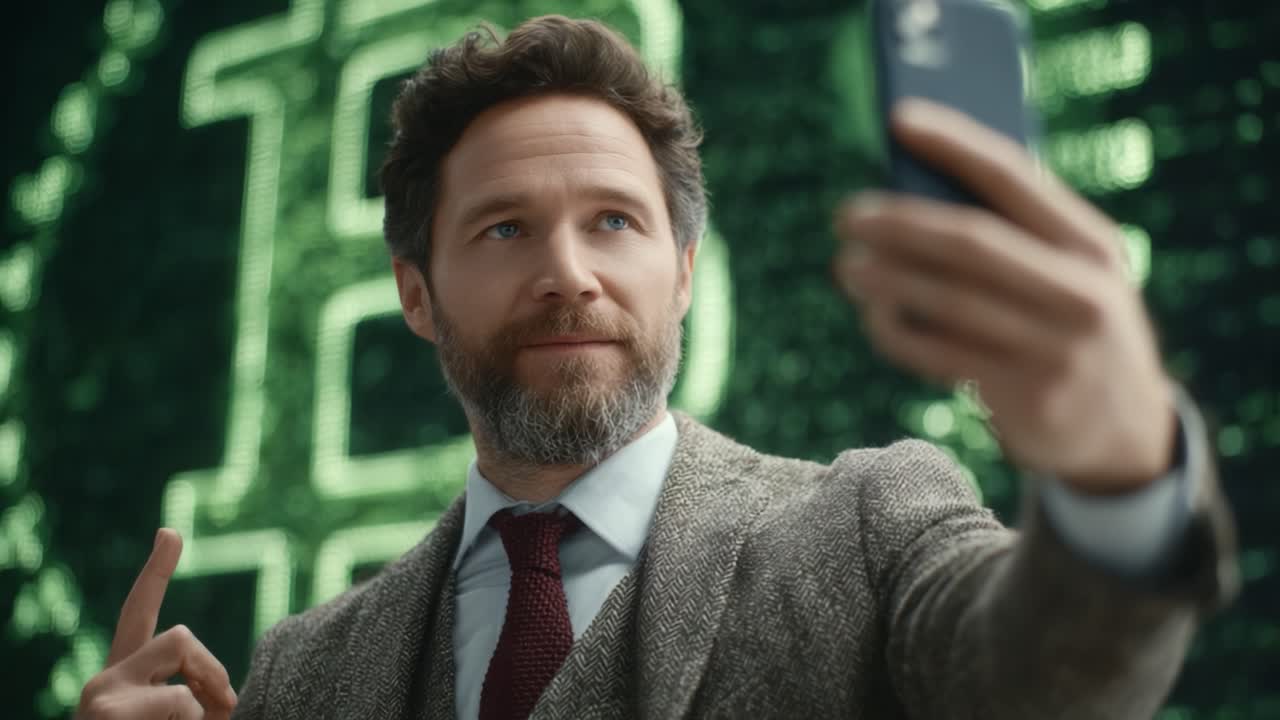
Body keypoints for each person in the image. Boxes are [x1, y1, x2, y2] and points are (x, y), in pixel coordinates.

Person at [77, 14, 1238, 720]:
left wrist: (1115, 488)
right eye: (503, 229)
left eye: (616, 224)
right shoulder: (301, 673)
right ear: (413, 294)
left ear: (684, 273)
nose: (569, 273)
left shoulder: (871, 522)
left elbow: (1041, 683)